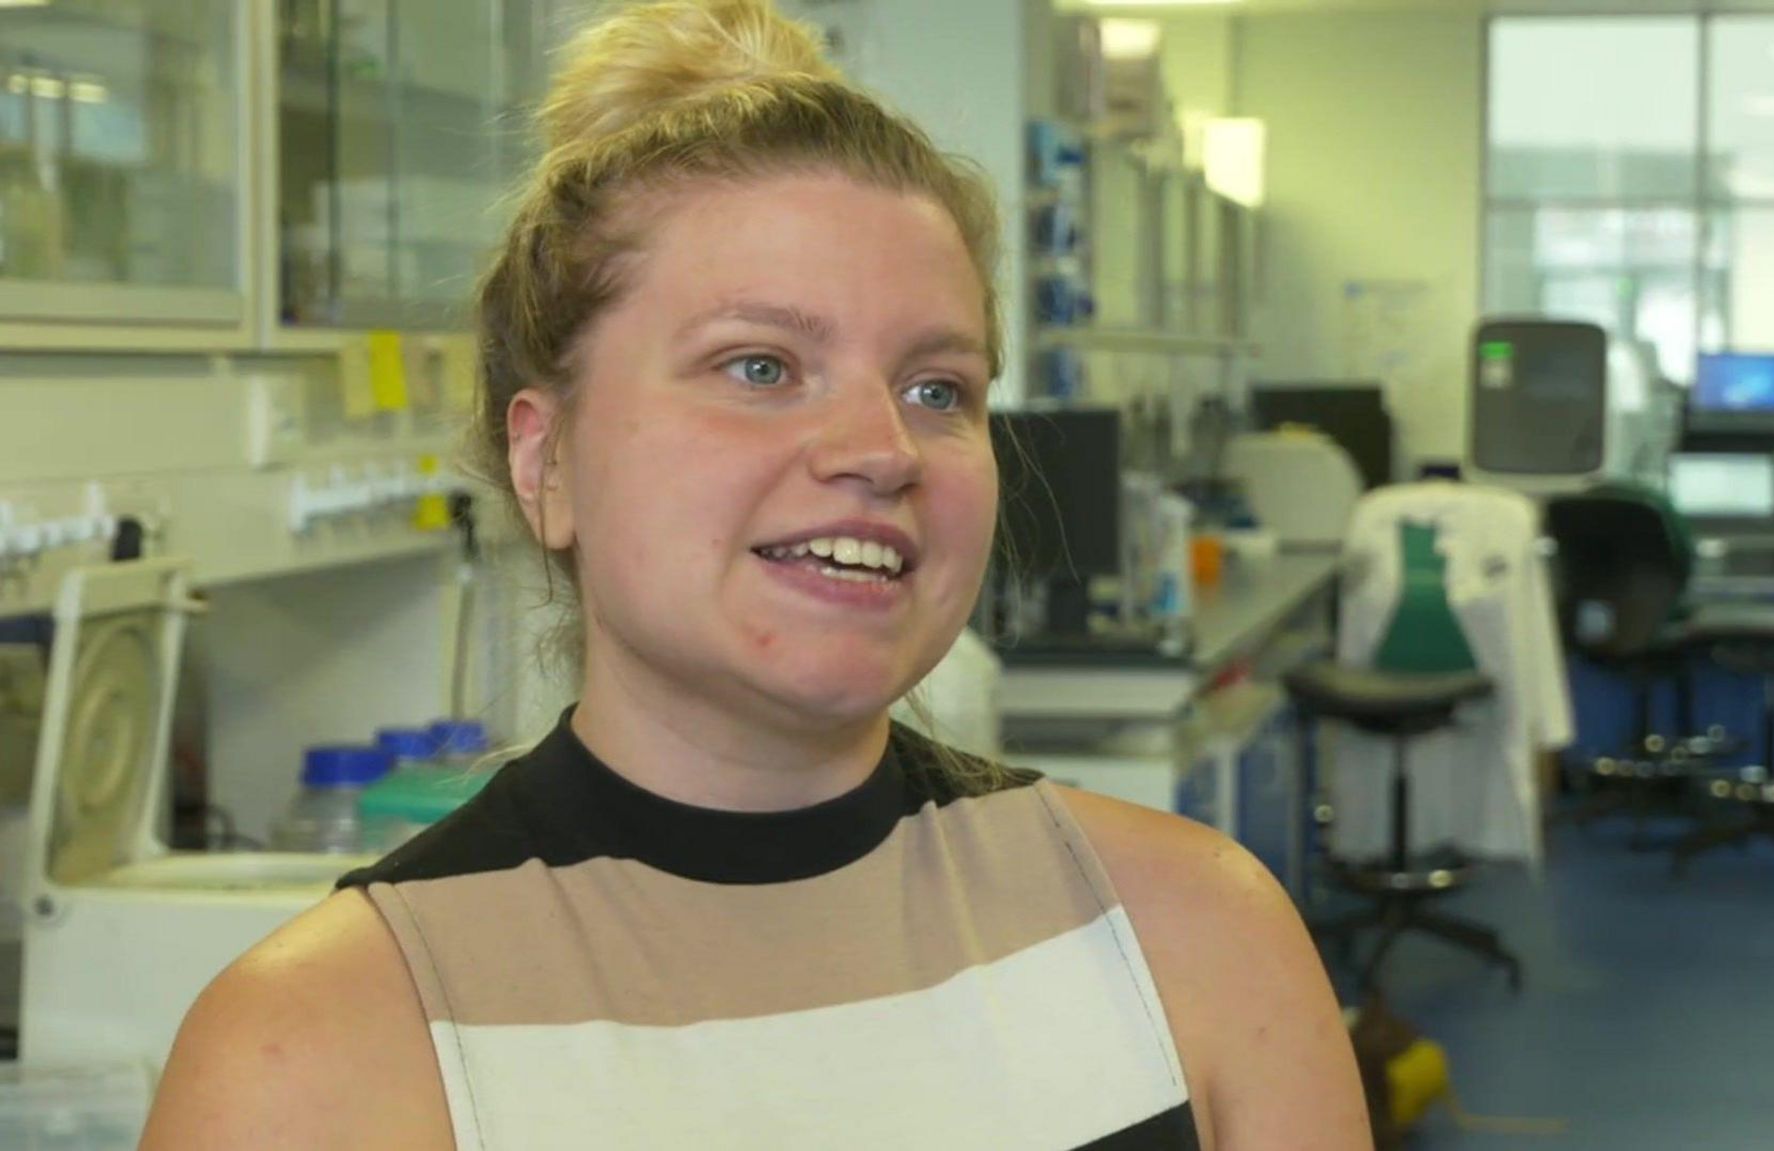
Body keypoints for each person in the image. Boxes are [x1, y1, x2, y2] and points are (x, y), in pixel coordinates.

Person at [141, 2, 1369, 1147]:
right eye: (760, 366)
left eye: (936, 386)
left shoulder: (1194, 934)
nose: (882, 448)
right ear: (547, 457)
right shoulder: (312, 1054)